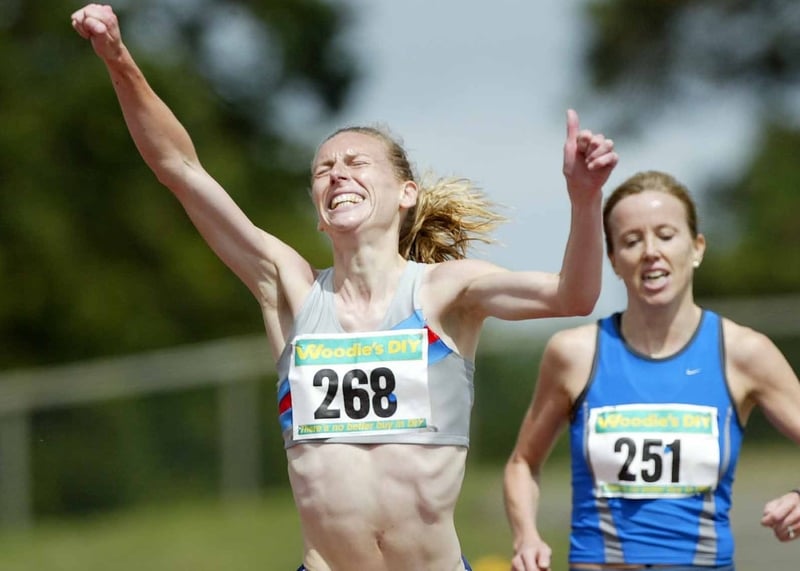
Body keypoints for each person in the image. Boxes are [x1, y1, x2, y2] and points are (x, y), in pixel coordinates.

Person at [70, 4, 618, 570]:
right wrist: (119, 59)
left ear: (406, 193)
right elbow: (179, 168)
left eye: (356, 162)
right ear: (319, 214)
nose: (337, 174)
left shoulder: (446, 292)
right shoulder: (290, 288)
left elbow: (571, 296)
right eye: (323, 169)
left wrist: (585, 200)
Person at [503, 169, 800, 571]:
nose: (650, 251)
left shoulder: (744, 352)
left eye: (665, 234)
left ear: (696, 248)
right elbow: (523, 462)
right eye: (631, 240)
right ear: (613, 260)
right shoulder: (574, 353)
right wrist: (527, 536)